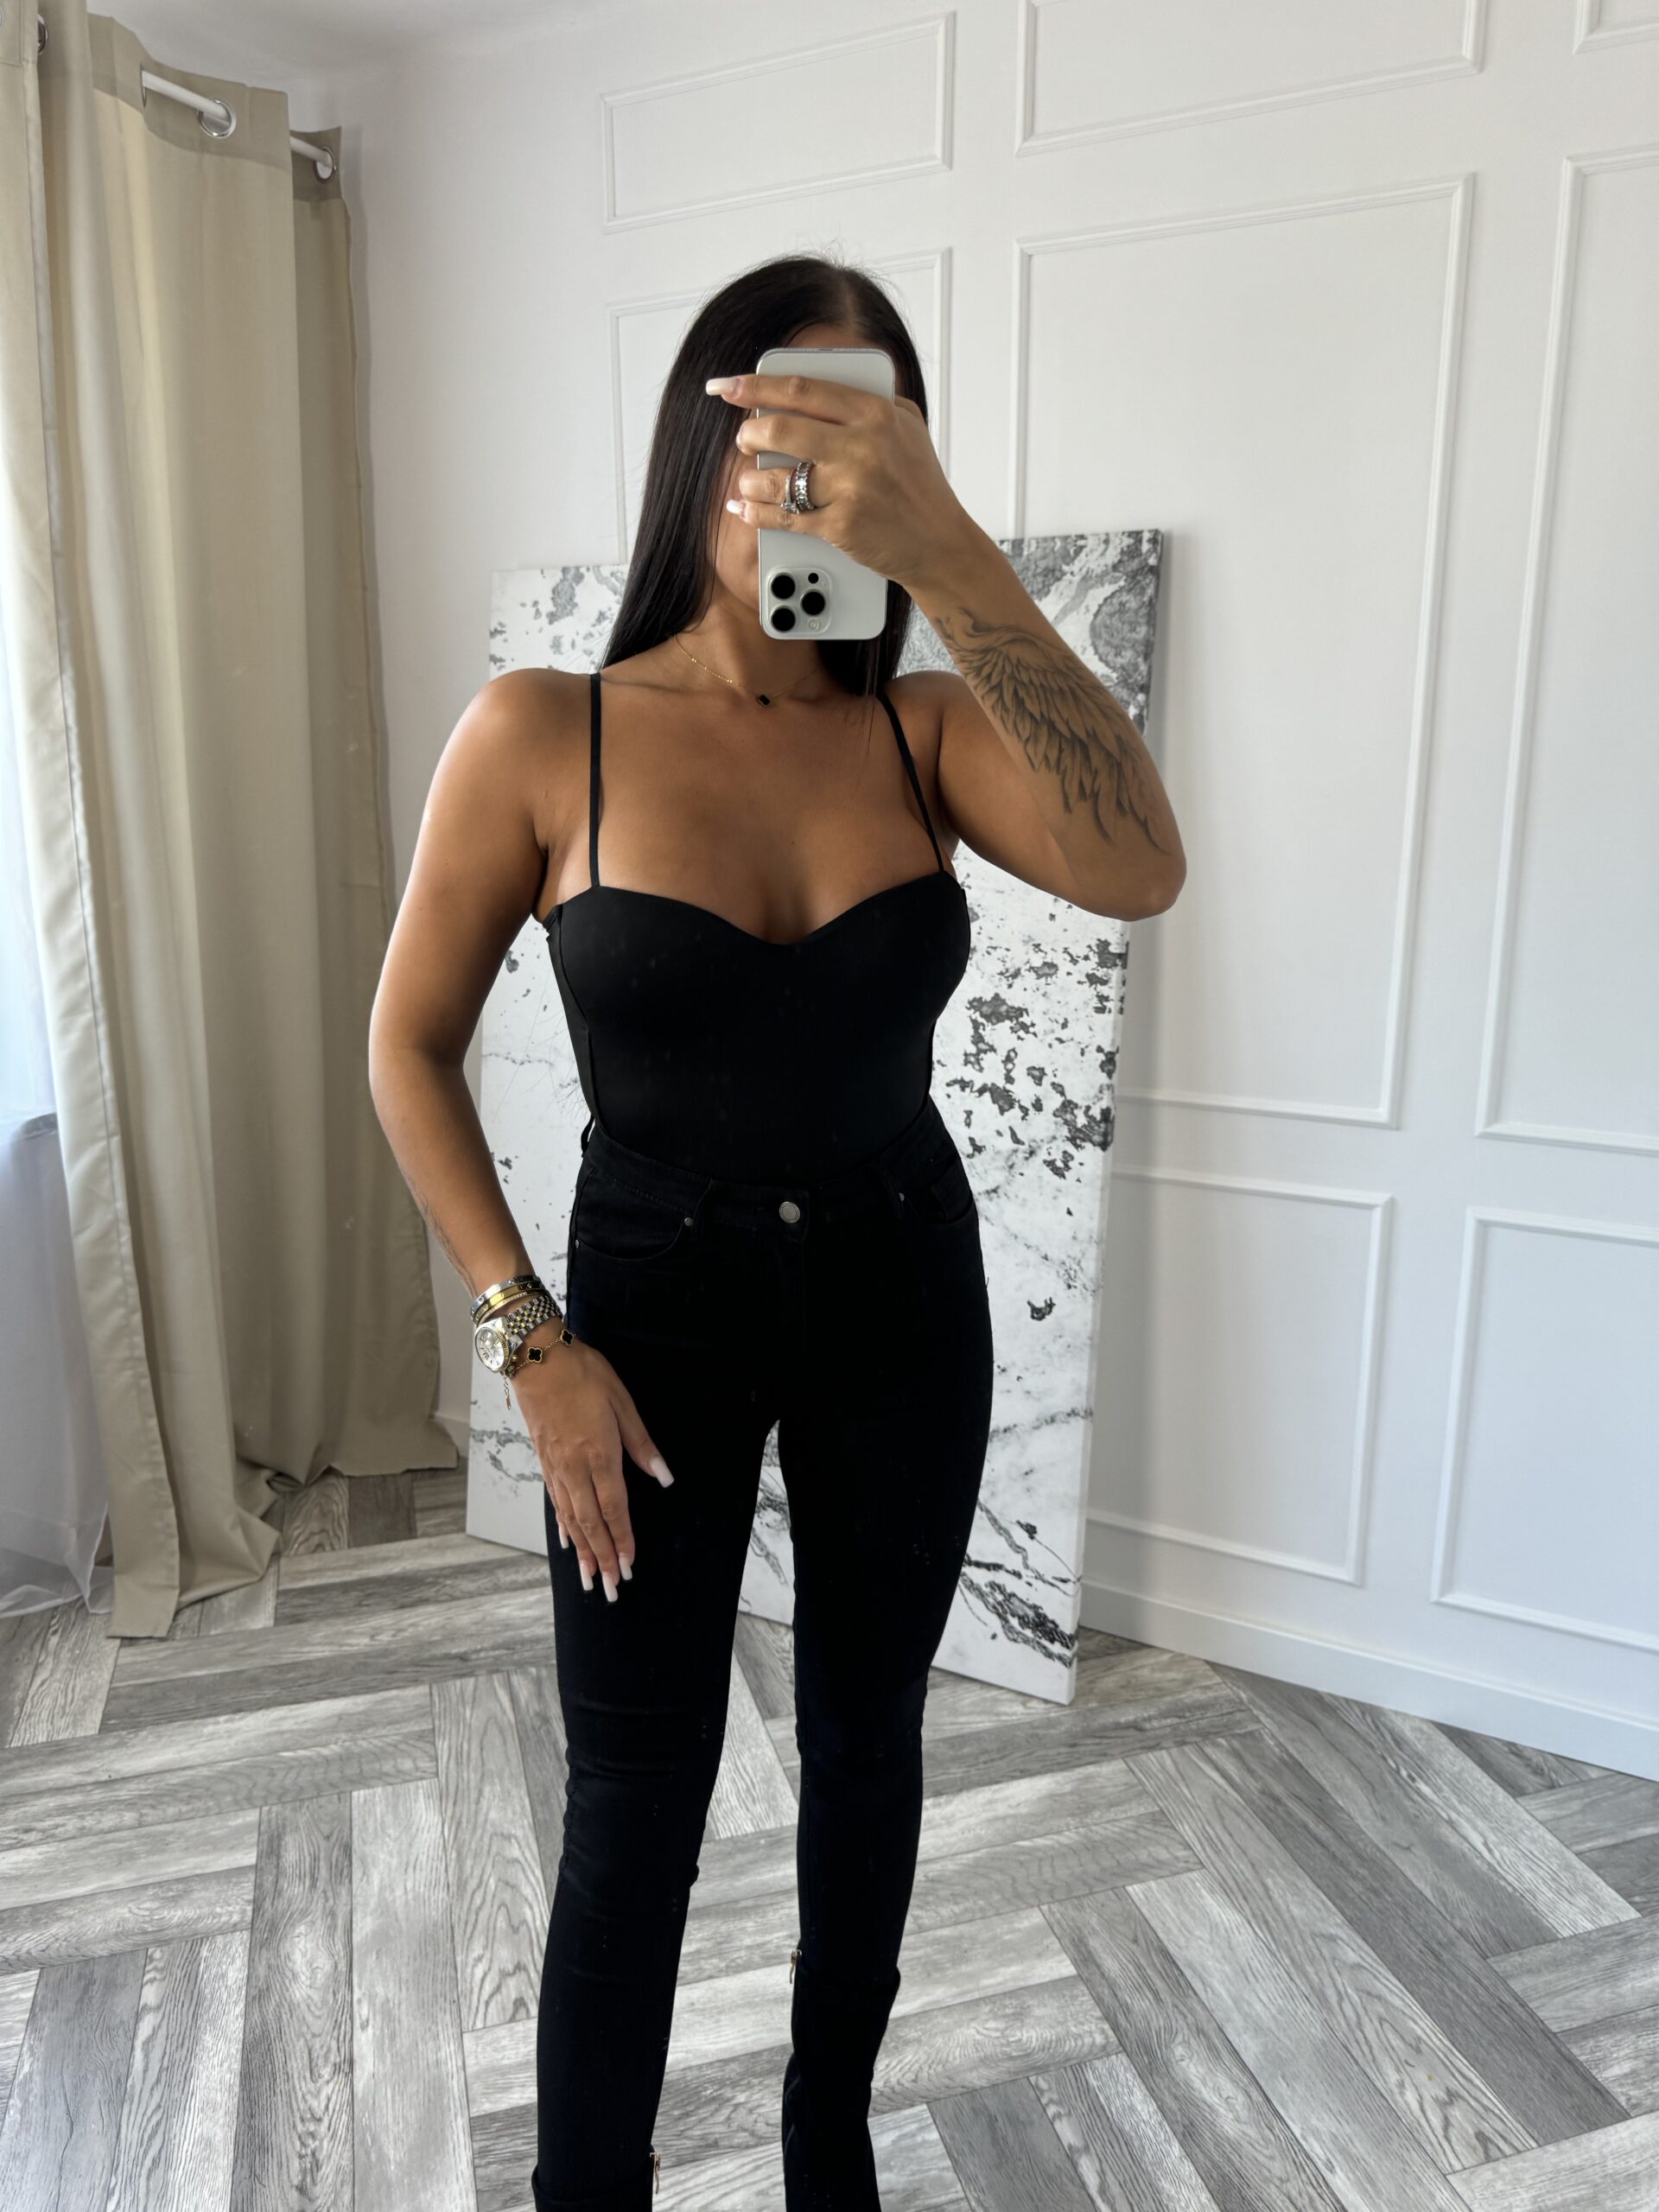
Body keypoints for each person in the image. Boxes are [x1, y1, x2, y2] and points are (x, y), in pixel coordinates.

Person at [368, 253, 1185, 2211]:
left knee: (869, 1743)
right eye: (786, 429)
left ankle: (832, 2155)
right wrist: (530, 1337)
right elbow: (406, 1045)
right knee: (635, 1798)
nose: (819, 478)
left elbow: (1141, 864)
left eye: (866, 435)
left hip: (905, 1283)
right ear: (703, 444)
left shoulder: (922, 732)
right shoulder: (543, 728)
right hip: (649, 1311)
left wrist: (951, 552)